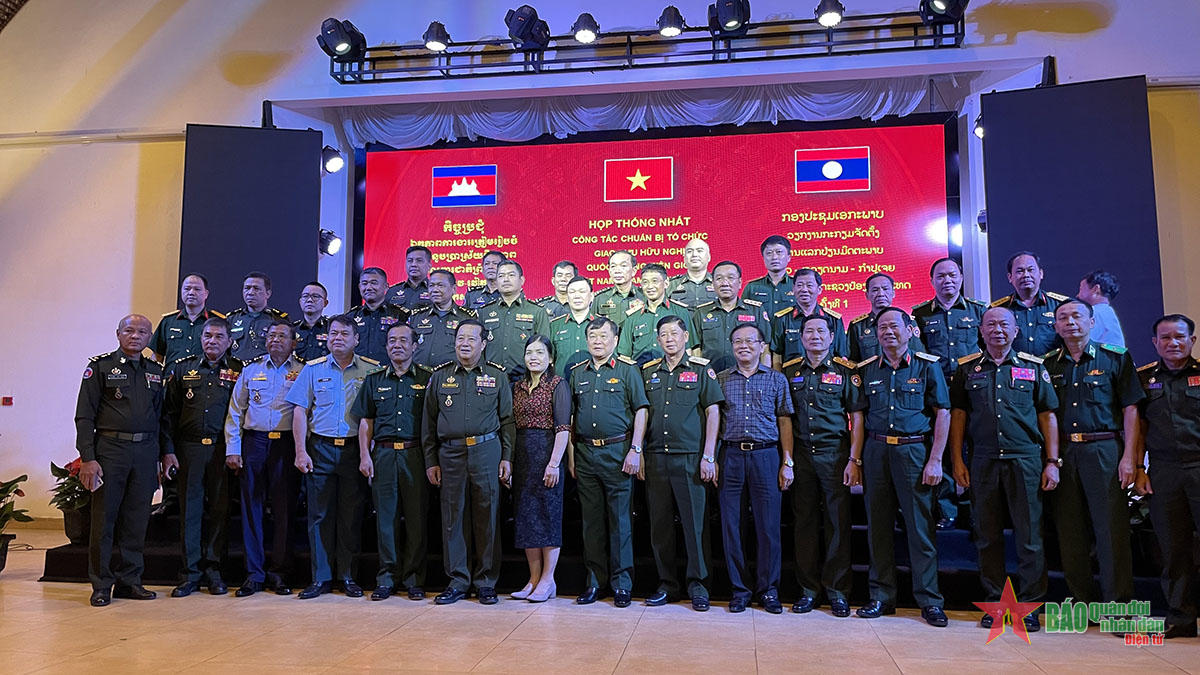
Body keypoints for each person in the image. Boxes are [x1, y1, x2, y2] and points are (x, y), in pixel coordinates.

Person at [949, 306, 1060, 632]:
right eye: (991, 325)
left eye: (1004, 325)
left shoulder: (1032, 368)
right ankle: (995, 603)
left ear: (1015, 331)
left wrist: (1052, 462)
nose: (997, 330)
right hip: (983, 460)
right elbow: (959, 416)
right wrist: (957, 459)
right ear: (981, 331)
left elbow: (1047, 416)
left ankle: (1029, 607)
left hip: (1025, 459)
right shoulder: (968, 370)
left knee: (1029, 538)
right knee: (987, 537)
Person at [853, 307, 950, 627]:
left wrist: (935, 459)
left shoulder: (926, 367)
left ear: (910, 331)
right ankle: (881, 596)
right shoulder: (868, 369)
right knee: (878, 529)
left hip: (913, 453)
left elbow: (943, 414)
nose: (888, 332)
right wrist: (857, 459)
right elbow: (860, 418)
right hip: (877, 452)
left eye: (895, 326)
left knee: (920, 530)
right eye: (882, 328)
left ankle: (930, 600)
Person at [1043, 297, 1142, 604]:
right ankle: (1081, 602)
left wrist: (1130, 459)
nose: (1070, 322)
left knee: (1110, 529)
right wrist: (1052, 460)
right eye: (1063, 318)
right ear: (1056, 326)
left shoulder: (1116, 358)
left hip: (1105, 450)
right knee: (1070, 531)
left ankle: (1118, 604)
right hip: (1065, 454)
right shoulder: (1048, 364)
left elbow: (1131, 410)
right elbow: (1046, 416)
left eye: (1077, 316)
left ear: (1091, 322)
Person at [422, 320, 515, 605]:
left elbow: (508, 421)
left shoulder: (498, 377)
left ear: (483, 343)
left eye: (471, 339)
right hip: (449, 455)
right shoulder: (439, 377)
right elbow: (429, 422)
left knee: (487, 518)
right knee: (453, 518)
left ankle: (486, 581)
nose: (465, 343)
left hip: (486, 451)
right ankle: (458, 580)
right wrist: (430, 460)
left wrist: (506, 458)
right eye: (460, 337)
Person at [75, 315, 166, 607]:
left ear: (150, 338)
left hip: (145, 452)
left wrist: (162, 455)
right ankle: (101, 583)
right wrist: (88, 458)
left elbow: (160, 418)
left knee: (136, 520)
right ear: (118, 334)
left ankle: (130, 581)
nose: (135, 336)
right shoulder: (100, 367)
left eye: (142, 332)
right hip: (110, 451)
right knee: (104, 520)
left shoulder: (155, 371)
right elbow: (84, 416)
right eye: (129, 330)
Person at [286, 314, 379, 599]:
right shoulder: (312, 369)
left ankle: (348, 577)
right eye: (333, 334)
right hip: (321, 448)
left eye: (343, 334)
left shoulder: (371, 371)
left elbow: (371, 416)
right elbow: (300, 410)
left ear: (356, 339)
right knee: (319, 516)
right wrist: (300, 451)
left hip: (354, 450)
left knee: (351, 517)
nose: (337, 338)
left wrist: (366, 453)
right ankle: (321, 578)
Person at [782, 314, 863, 617]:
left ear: (832, 337)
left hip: (835, 454)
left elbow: (857, 418)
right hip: (801, 454)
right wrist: (787, 459)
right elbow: (785, 419)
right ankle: (808, 591)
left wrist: (854, 459)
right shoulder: (790, 371)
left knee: (837, 524)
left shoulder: (846, 371)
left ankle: (838, 591)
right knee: (803, 524)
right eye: (809, 332)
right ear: (801, 337)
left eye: (821, 331)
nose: (815, 336)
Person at [641, 315, 723, 611]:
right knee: (660, 526)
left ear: (686, 337)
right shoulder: (649, 372)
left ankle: (698, 585)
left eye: (674, 333)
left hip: (690, 458)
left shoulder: (701, 370)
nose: (669, 339)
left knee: (695, 524)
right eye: (663, 335)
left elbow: (713, 412)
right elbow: (642, 413)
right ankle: (667, 584)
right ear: (658, 340)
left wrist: (709, 455)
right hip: (656, 457)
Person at [569, 317, 649, 608]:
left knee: (620, 522)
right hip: (586, 454)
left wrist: (636, 450)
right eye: (593, 336)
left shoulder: (628, 371)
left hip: (619, 453)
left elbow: (641, 411)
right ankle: (594, 582)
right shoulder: (577, 373)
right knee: (591, 524)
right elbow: (572, 417)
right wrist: (571, 456)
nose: (598, 341)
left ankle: (622, 584)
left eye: (604, 336)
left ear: (615, 340)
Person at [161, 317, 242, 597]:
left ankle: (214, 572)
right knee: (190, 513)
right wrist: (168, 451)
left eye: (219, 337)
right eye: (208, 336)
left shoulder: (239, 370)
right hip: (189, 449)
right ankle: (189, 575)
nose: (212, 341)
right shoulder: (183, 369)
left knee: (220, 512)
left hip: (222, 449)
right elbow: (169, 414)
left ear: (229, 341)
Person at [716, 324, 794, 614]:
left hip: (766, 456)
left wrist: (787, 461)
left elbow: (785, 420)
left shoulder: (776, 380)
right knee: (732, 527)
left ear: (762, 346)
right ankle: (739, 590)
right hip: (732, 456)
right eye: (737, 341)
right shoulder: (722, 379)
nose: (743, 346)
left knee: (768, 527)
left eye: (751, 341)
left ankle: (769, 590)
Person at [224, 319, 304, 597]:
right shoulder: (250, 370)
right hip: (254, 444)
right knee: (251, 509)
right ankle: (254, 575)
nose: (275, 340)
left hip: (286, 446)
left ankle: (280, 573)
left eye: (282, 336)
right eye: (271, 335)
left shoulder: (303, 371)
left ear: (294, 343)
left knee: (284, 511)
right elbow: (235, 411)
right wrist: (232, 449)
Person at [353, 323, 432, 601]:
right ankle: (386, 578)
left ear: (414, 345)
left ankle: (413, 579)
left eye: (403, 341)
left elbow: (433, 424)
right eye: (392, 341)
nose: (397, 345)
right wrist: (365, 455)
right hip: (383, 455)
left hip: (415, 455)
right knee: (385, 520)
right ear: (386, 347)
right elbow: (366, 422)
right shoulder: (374, 380)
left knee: (416, 520)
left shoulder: (428, 379)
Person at [1134, 314, 1200, 639]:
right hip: (1163, 471)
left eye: (1179, 337)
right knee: (1173, 548)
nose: (1172, 343)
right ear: (1154, 342)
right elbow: (1139, 428)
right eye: (1165, 338)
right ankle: (1181, 617)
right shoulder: (1145, 379)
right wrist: (1139, 469)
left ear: (1192, 341)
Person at [912, 257, 986, 530]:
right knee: (940, 449)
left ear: (961, 278)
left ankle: (975, 508)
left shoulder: (979, 311)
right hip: (936, 394)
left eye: (952, 275)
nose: (947, 281)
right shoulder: (919, 315)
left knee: (975, 448)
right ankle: (947, 509)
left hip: (972, 392)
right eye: (941, 276)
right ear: (932, 281)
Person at [510, 335, 571, 603]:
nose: (534, 357)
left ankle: (549, 580)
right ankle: (533, 579)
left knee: (548, 517)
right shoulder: (518, 386)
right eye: (529, 352)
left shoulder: (558, 385)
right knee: (526, 518)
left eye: (540, 353)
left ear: (551, 358)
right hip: (523, 455)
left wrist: (554, 462)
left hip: (548, 453)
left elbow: (563, 428)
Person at [691, 261, 772, 373]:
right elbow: (696, 350)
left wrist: (765, 376)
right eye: (719, 279)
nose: (725, 283)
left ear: (739, 283)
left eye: (730, 278)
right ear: (713, 284)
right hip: (711, 378)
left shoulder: (755, 310)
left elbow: (765, 348)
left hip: (749, 378)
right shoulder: (701, 312)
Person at [479, 260, 552, 377]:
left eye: (511, 275)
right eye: (501, 276)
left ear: (522, 280)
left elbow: (544, 350)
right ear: (496, 282)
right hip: (491, 379)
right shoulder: (484, 312)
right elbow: (479, 348)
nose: (506, 279)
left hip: (524, 380)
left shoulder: (536, 311)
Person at [991, 251, 1069, 357]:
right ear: (1010, 277)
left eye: (1031, 270)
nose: (1026, 275)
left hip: (1052, 369)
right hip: (1014, 370)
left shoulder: (1060, 306)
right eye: (1020, 271)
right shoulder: (999, 310)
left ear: (1041, 274)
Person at [618, 263, 694, 365]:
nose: (650, 286)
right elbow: (625, 356)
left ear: (666, 283)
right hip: (641, 376)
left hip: (673, 374)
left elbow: (690, 349)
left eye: (655, 281)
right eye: (645, 282)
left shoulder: (681, 311)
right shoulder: (632, 317)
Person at [772, 268, 849, 366]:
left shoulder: (833, 319)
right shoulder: (782, 319)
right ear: (793, 289)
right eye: (799, 285)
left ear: (819, 289)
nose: (804, 290)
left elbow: (841, 355)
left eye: (809, 285)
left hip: (827, 377)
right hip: (792, 377)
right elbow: (777, 354)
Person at [409, 269, 476, 369]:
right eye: (431, 285)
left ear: (453, 289)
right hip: (419, 377)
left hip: (451, 379)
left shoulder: (467, 318)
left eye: (440, 285)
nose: (435, 290)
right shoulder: (417, 316)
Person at [849, 273, 924, 361]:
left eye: (885, 289)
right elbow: (852, 362)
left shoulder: (907, 321)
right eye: (875, 290)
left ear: (893, 293)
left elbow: (918, 356)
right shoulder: (858, 326)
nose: (881, 294)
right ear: (867, 295)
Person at [152, 274, 223, 364]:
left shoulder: (218, 322)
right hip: (173, 376)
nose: (191, 293)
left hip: (205, 376)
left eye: (197, 289)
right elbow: (157, 355)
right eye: (187, 289)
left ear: (206, 294)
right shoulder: (168, 321)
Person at [348, 267, 411, 364]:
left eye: (374, 283)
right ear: (360, 287)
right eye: (364, 283)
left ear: (386, 287)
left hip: (389, 375)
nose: (368, 288)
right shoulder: (350, 317)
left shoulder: (400, 315)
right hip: (357, 374)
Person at [227, 272, 289, 362]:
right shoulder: (232, 319)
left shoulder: (278, 319)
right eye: (247, 288)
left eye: (256, 288)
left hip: (265, 371)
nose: (251, 293)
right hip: (236, 370)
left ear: (268, 293)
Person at [549, 275, 595, 375]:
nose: (577, 296)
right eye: (572, 292)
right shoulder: (554, 326)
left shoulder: (602, 325)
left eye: (582, 291)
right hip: (562, 385)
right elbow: (548, 360)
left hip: (593, 386)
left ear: (591, 296)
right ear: (567, 297)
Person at [742, 235, 795, 318]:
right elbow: (743, 317)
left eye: (779, 252)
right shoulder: (752, 288)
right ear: (763, 258)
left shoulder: (798, 286)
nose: (774, 257)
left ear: (789, 257)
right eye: (769, 253)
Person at [591, 250, 645, 328]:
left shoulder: (644, 296)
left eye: (623, 266)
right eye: (613, 266)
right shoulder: (600, 298)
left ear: (633, 271)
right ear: (609, 271)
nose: (617, 271)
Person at [1079, 270, 1126, 348]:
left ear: (1096, 289)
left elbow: (1082, 345)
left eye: (1081, 289)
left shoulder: (1093, 313)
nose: (1078, 295)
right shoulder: (1108, 312)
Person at [668, 237, 717, 307]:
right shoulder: (672, 284)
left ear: (709, 257)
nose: (694, 255)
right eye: (689, 251)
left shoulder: (718, 283)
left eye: (699, 251)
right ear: (684, 258)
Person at [385, 245, 434, 311]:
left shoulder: (436, 291)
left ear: (429, 266)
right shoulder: (392, 292)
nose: (413, 264)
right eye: (410, 261)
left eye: (419, 261)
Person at [293, 282, 331, 362]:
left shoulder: (331, 328)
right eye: (305, 296)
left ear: (325, 303)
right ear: (300, 302)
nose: (309, 300)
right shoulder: (292, 329)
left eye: (315, 296)